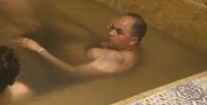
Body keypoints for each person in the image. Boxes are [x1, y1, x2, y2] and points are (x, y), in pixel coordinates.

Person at [16, 13, 146, 78]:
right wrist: (118, 26)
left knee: (32, 31)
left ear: (133, 40)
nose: (111, 33)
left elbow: (73, 71)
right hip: (82, 47)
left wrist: (38, 49)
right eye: (113, 28)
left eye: (118, 32)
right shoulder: (134, 50)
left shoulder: (113, 60)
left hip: (61, 55)